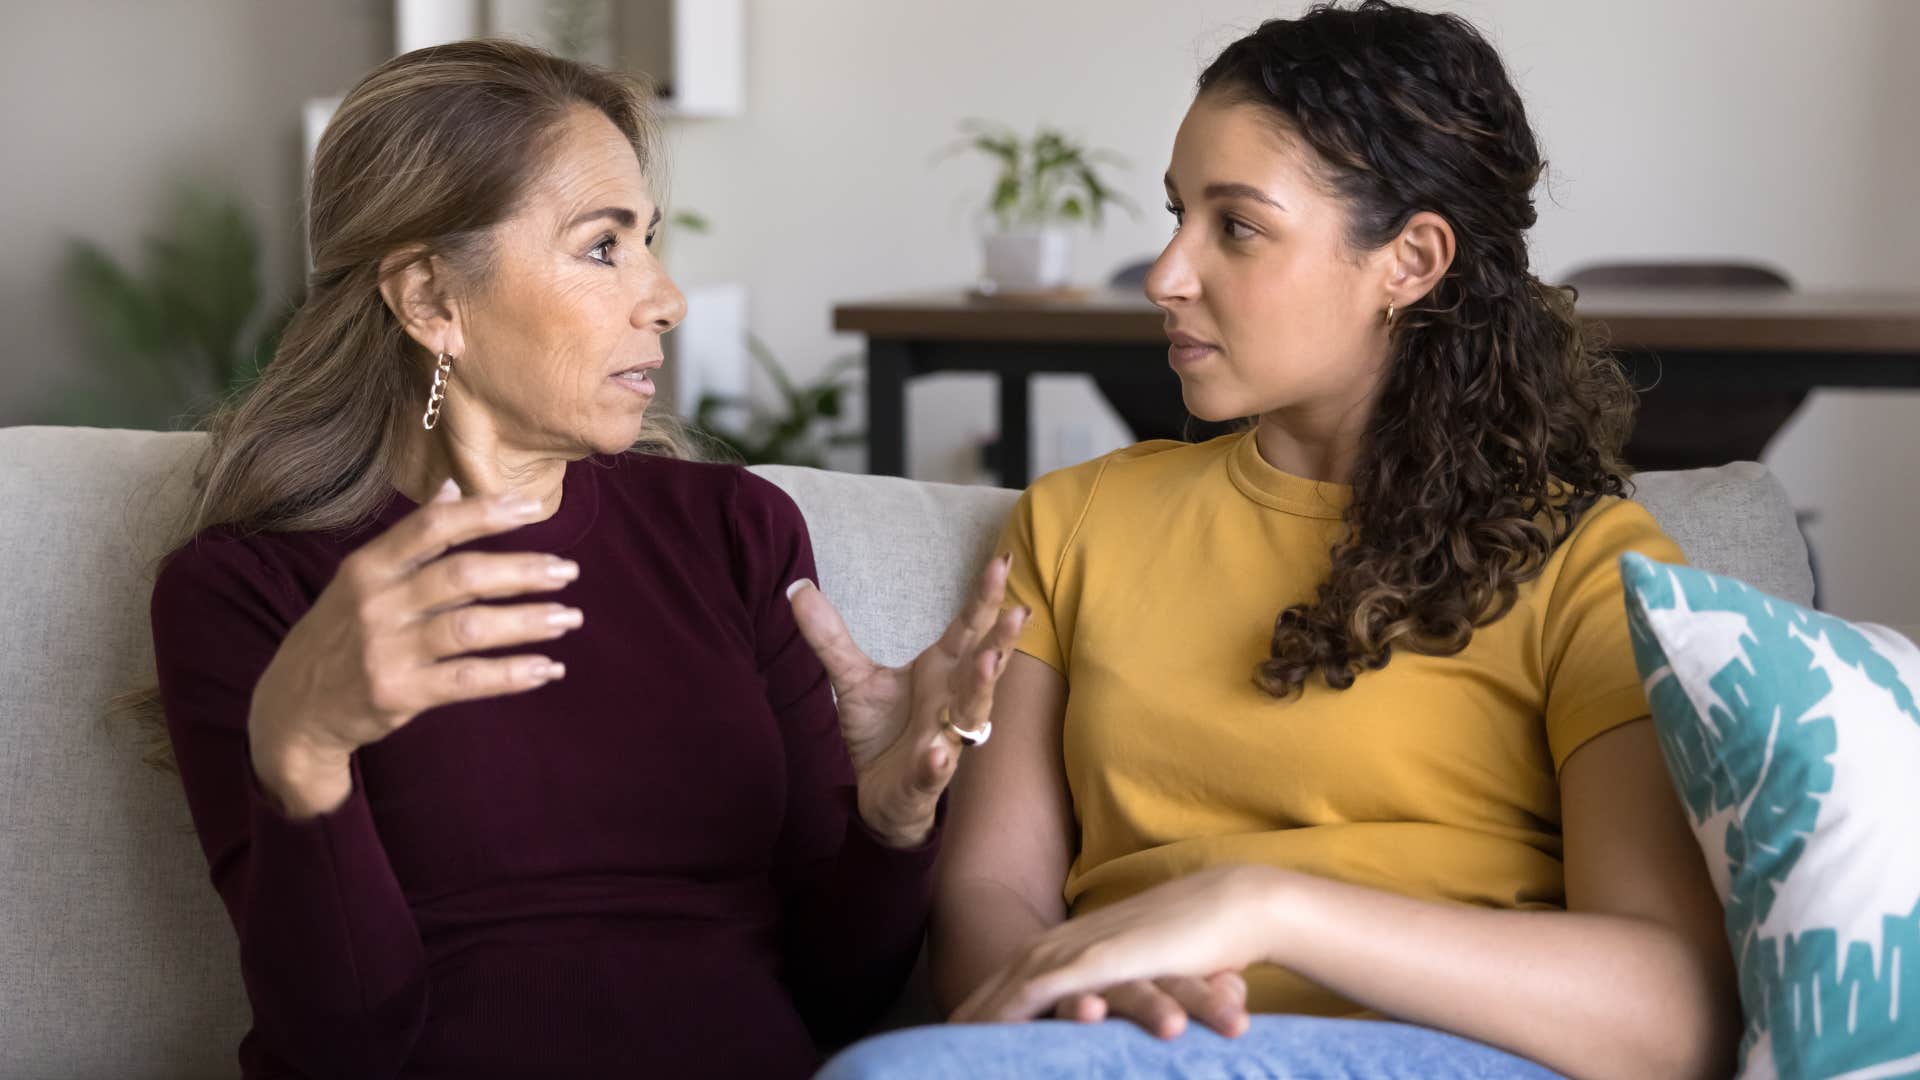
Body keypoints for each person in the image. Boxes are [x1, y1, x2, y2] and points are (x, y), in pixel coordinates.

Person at [822, 3, 1739, 1077]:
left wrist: (1266, 909)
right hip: (1121, 1049)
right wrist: (1080, 991)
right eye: (1175, 216)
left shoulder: (1590, 567)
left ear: (1411, 259)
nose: (1167, 273)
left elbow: (1671, 1018)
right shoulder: (1077, 523)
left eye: (1237, 227)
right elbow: (994, 898)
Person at [136, 39, 1023, 1079]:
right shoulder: (249, 592)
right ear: (431, 300)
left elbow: (833, 996)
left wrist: (890, 824)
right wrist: (306, 760)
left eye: (648, 241)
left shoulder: (734, 531)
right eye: (603, 248)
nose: (666, 299)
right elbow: (341, 1045)